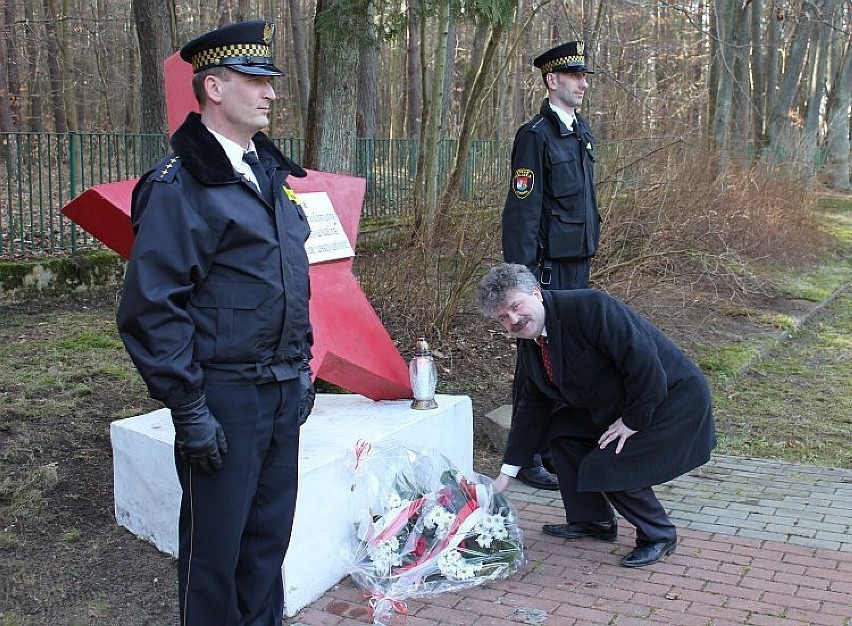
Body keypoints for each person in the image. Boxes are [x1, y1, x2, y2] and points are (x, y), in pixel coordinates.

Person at [116, 21, 315, 625]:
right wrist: (189, 406)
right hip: (224, 395)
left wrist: (301, 367)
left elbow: (286, 282)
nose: (271, 93)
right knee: (216, 552)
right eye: (255, 80)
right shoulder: (182, 187)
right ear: (214, 88)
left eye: (271, 82)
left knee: (267, 542)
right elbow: (152, 307)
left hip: (280, 390)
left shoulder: (269, 177)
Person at [476, 264, 716, 568]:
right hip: (617, 404)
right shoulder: (532, 342)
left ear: (536, 293)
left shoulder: (590, 308)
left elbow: (646, 366)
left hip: (668, 399)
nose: (513, 320)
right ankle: (594, 520)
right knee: (562, 433)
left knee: (609, 462)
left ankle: (659, 535)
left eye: (515, 306)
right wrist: (506, 475)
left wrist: (631, 422)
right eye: (502, 318)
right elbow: (531, 406)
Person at [501, 41, 601, 490]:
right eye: (574, 76)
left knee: (567, 355)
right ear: (551, 80)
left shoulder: (578, 132)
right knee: (534, 358)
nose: (583, 83)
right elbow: (521, 213)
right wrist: (521, 281)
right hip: (545, 271)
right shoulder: (536, 135)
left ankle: (556, 444)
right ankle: (526, 456)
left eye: (584, 77)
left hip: (575, 264)